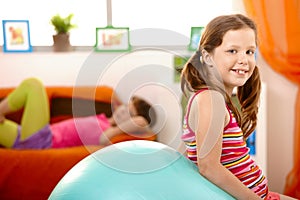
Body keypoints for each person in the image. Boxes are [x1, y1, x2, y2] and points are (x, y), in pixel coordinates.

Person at [180, 14, 295, 200]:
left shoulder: (216, 99)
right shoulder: (211, 98)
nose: (244, 59)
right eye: (232, 51)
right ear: (207, 57)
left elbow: (186, 152)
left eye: (249, 52)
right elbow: (208, 166)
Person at [0, 78, 156, 149]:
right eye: (125, 107)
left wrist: (118, 128)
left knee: (33, 85)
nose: (123, 113)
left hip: (41, 140)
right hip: (25, 135)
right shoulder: (102, 118)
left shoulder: (109, 133)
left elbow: (143, 121)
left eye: (130, 114)